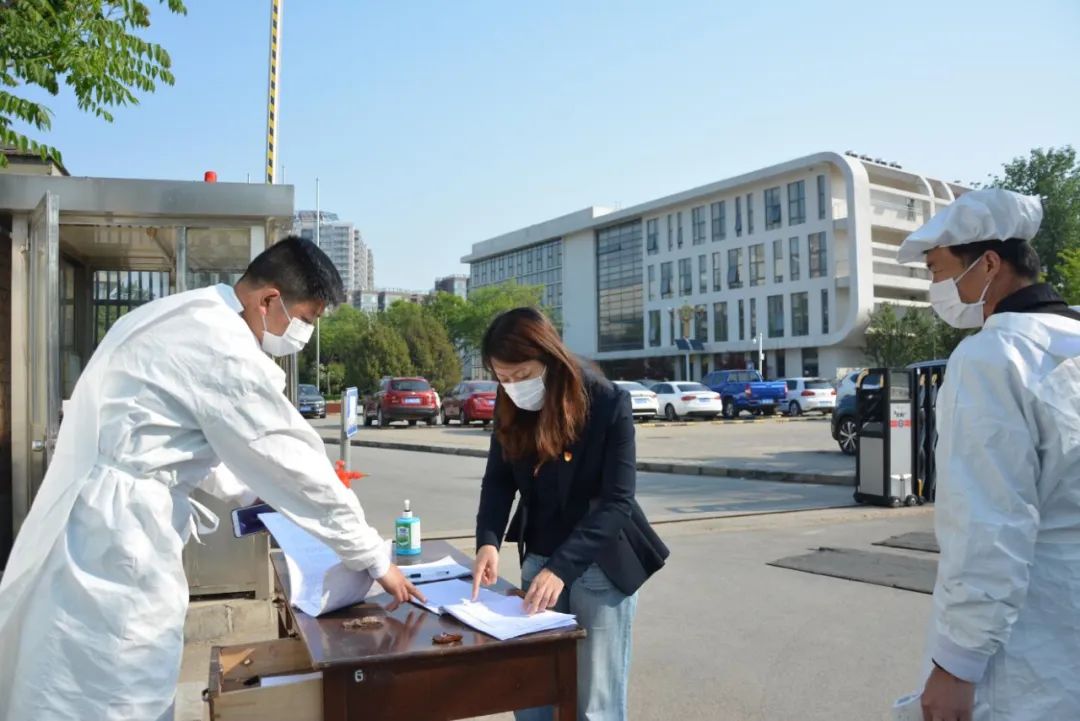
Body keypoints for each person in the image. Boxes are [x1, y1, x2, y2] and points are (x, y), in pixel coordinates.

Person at [0, 236, 425, 721]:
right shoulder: (224, 350)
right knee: (121, 682)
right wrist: (373, 558)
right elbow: (294, 464)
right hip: (121, 539)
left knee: (68, 673)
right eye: (306, 319)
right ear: (268, 300)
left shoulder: (181, 314)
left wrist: (260, 494)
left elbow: (204, 447)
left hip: (96, 515)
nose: (304, 333)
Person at [896, 188, 1080, 721]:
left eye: (937, 270)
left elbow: (989, 523)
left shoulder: (992, 356)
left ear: (990, 264)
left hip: (1026, 644)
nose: (936, 288)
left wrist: (957, 664)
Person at [471, 307, 669, 721]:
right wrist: (488, 541)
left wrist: (561, 569)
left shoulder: (607, 402)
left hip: (600, 563)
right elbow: (498, 480)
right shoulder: (510, 404)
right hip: (539, 555)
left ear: (549, 357)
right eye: (503, 379)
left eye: (522, 375)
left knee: (593, 703)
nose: (514, 387)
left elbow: (617, 501)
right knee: (533, 693)